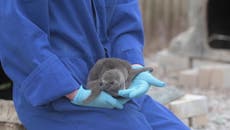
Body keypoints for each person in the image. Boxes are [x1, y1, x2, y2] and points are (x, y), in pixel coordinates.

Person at [0, 0, 190, 130]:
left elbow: (122, 14)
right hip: (55, 98)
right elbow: (16, 32)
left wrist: (132, 67)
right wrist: (72, 91)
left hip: (110, 85)